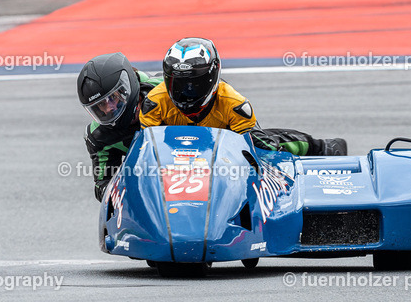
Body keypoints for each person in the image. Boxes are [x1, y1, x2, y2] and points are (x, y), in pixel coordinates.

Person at [139, 37, 347, 155]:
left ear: (212, 77)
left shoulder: (234, 104)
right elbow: (148, 152)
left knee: (265, 144)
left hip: (223, 158)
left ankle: (322, 147)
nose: (186, 93)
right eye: (179, 84)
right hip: (175, 159)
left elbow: (250, 154)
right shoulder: (154, 104)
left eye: (194, 84)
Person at [77, 52, 162, 200]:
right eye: (101, 104)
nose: (109, 108)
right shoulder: (99, 136)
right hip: (150, 187)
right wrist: (122, 191)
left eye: (112, 98)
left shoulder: (164, 90)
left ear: (126, 89)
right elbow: (102, 185)